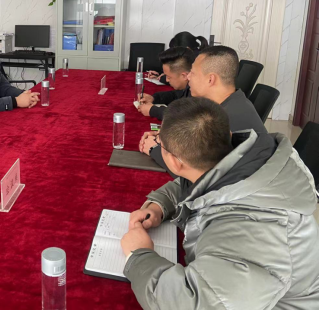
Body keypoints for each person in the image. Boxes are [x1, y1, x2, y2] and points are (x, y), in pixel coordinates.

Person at [121, 98, 319, 309]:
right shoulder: (244, 161)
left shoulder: (252, 228)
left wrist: (139, 255)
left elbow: (192, 303)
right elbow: (192, 183)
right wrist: (158, 206)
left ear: (174, 162)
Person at [140, 46, 267, 170]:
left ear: (210, 79)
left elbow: (198, 173)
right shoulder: (232, 103)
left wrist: (154, 150)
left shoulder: (225, 121)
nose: (188, 77)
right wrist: (170, 137)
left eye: (193, 73)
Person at [137, 47, 193, 120]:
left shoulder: (198, 92)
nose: (166, 80)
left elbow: (185, 117)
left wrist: (153, 111)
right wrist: (154, 98)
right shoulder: (189, 86)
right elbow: (176, 95)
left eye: (169, 77)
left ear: (184, 76)